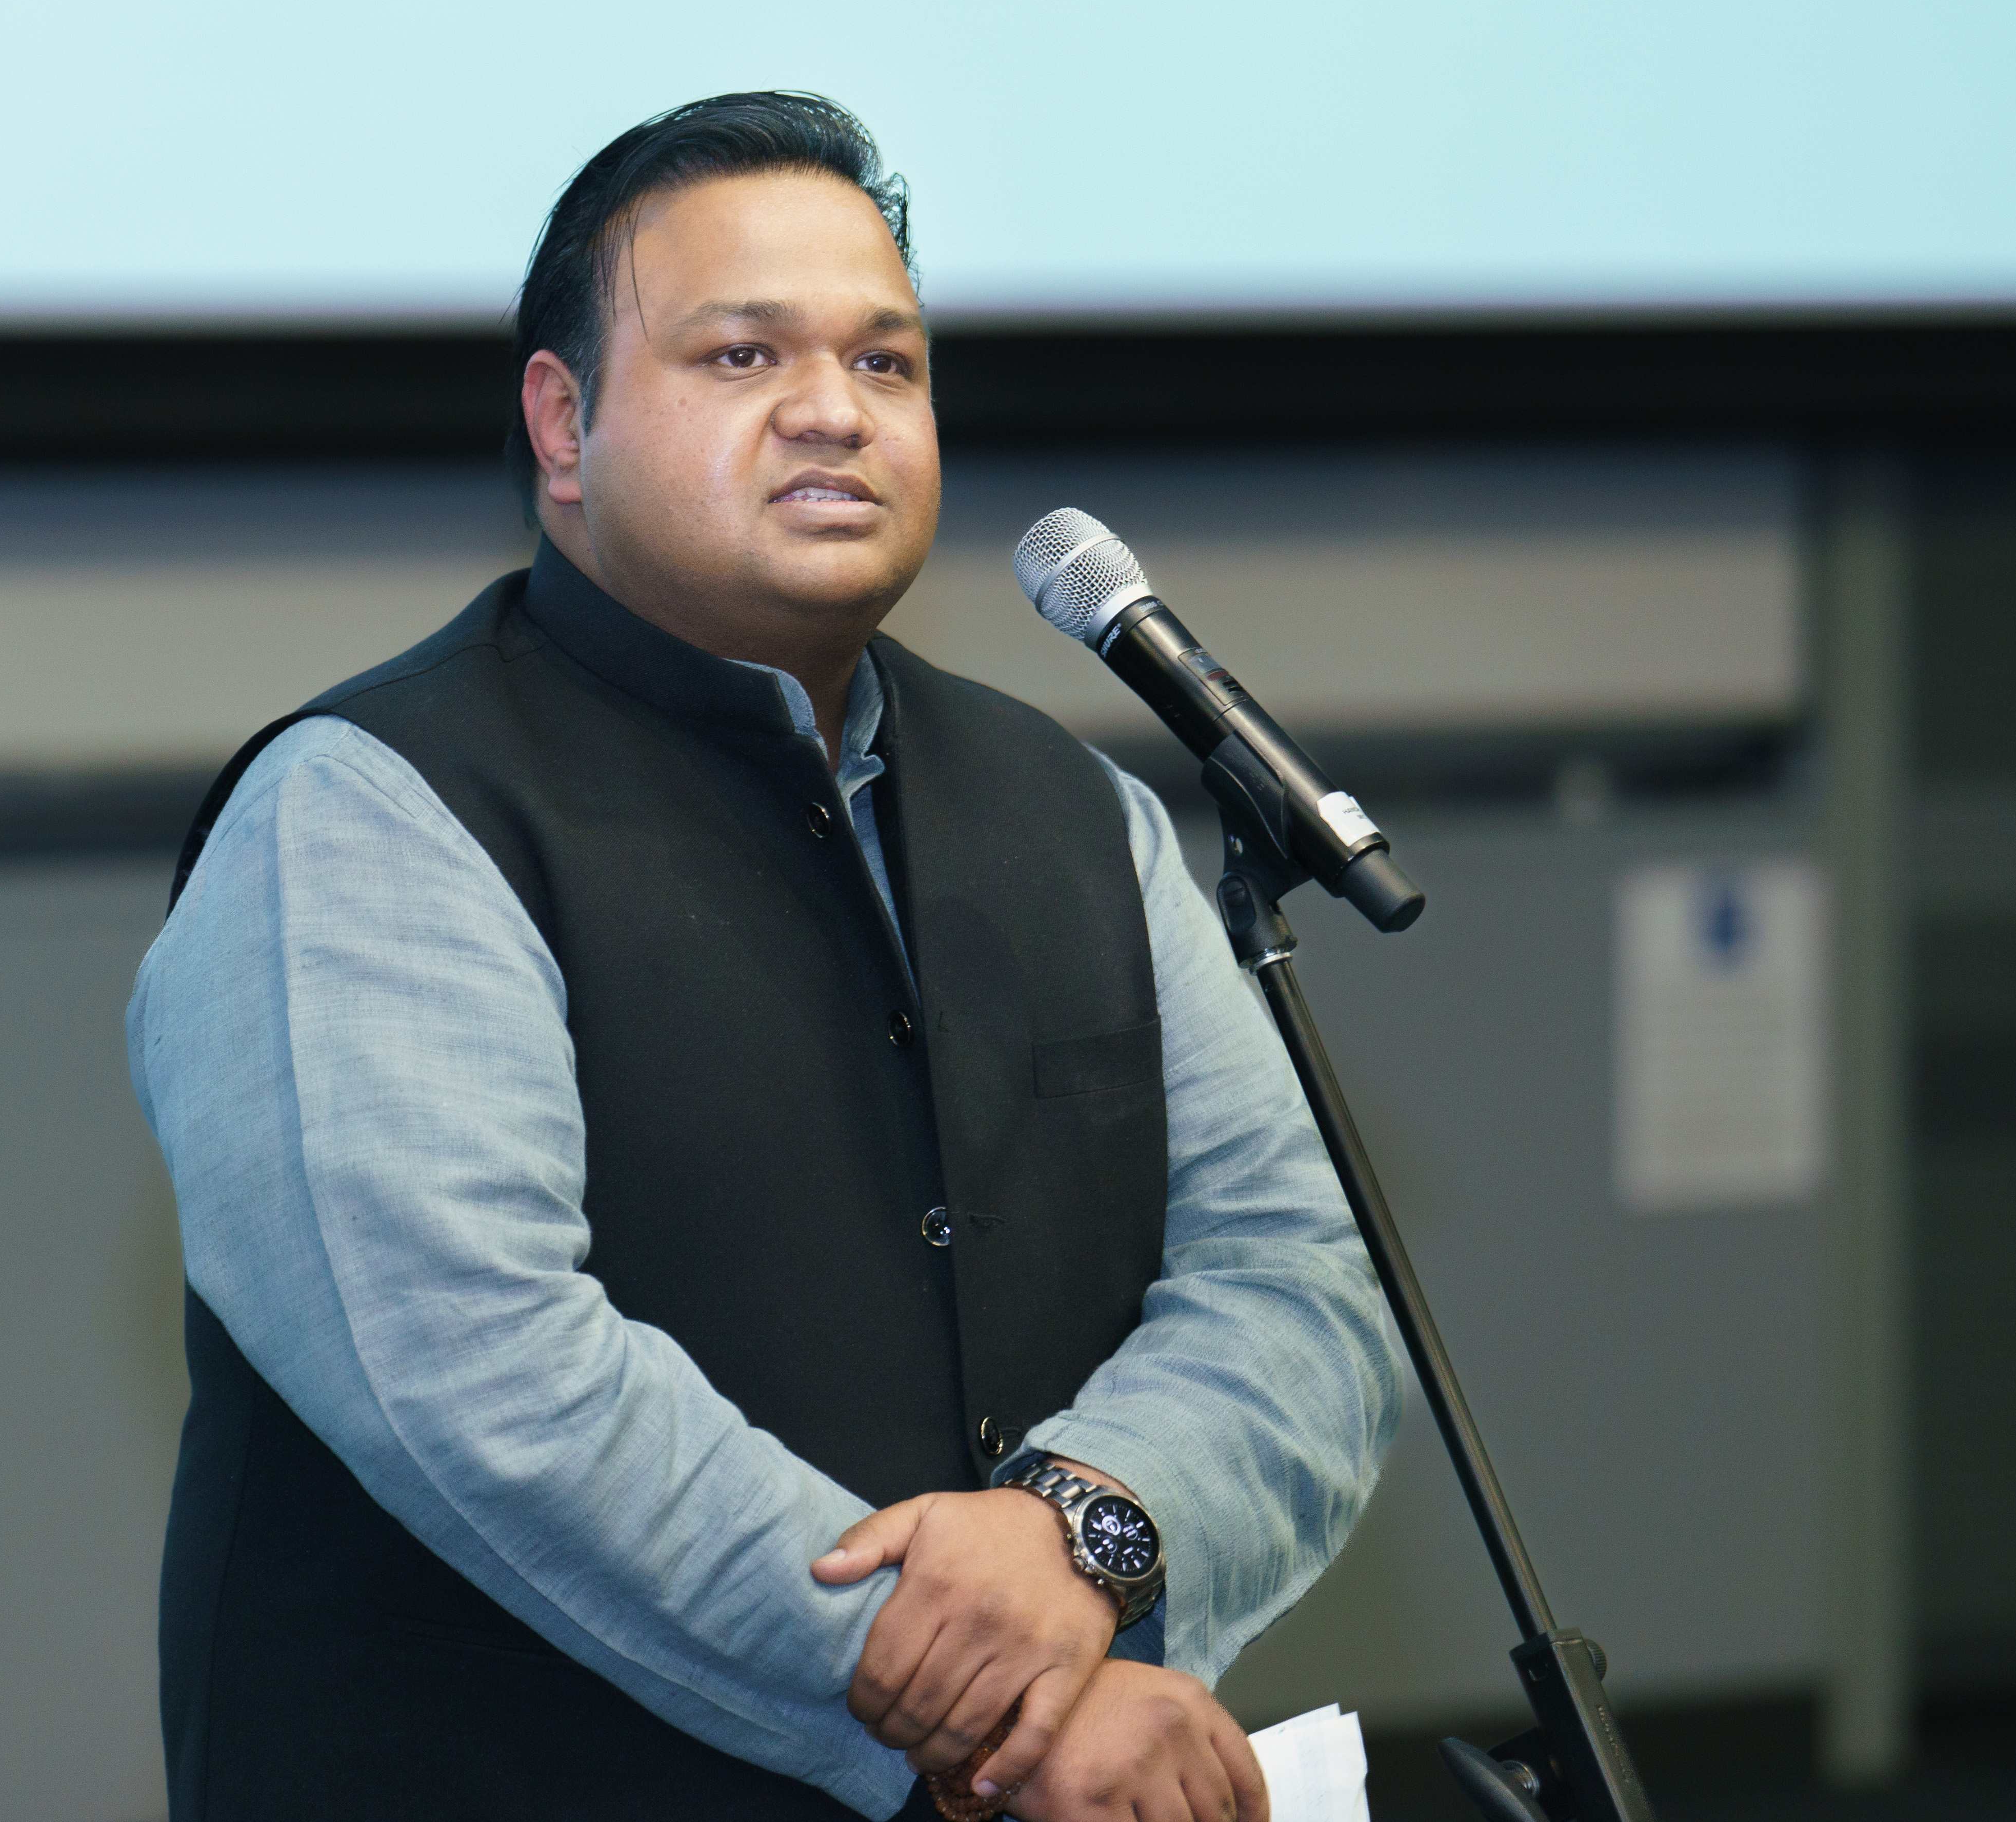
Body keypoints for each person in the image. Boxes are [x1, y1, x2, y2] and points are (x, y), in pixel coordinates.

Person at [130, 92, 1400, 1822]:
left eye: (887, 363)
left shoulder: (1073, 808)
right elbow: (481, 1374)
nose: (832, 410)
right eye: (742, 357)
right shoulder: (367, 812)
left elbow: (1302, 1277)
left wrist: (1085, 1531)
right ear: (562, 425)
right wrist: (980, 1694)